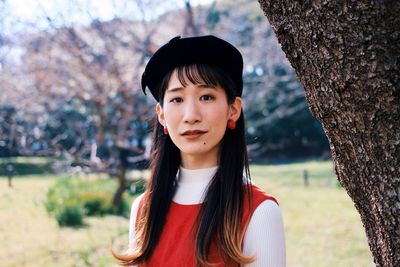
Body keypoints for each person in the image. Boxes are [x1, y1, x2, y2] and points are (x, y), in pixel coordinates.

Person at [113, 35, 286, 266]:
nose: (191, 115)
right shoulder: (144, 209)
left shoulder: (259, 212)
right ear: (161, 115)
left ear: (233, 109)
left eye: (206, 97)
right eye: (177, 99)